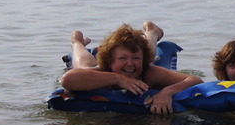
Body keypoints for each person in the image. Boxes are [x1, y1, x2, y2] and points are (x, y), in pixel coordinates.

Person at [61, 21, 203, 115]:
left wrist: (167, 91)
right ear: (110, 61)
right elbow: (67, 80)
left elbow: (196, 81)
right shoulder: (105, 69)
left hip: (146, 60)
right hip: (100, 69)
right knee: (84, 65)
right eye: (122, 59)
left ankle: (152, 32)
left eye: (136, 59)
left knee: (148, 54)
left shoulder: (148, 71)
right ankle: (77, 41)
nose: (130, 64)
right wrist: (117, 79)